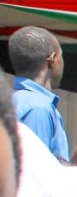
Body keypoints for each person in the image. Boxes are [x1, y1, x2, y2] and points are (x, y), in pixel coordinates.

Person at [8, 26, 69, 160]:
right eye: (61, 56)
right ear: (52, 59)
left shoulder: (11, 100)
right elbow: (34, 171)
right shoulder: (38, 108)